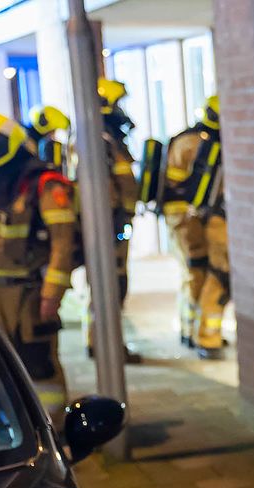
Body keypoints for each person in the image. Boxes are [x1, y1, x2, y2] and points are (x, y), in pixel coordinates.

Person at [0, 114, 78, 425]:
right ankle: (15, 427)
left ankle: (55, 429)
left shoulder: (45, 186)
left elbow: (63, 246)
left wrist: (52, 295)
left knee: (39, 363)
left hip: (30, 293)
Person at [161, 96, 228, 359]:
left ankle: (191, 331)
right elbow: (177, 187)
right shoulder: (198, 143)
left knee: (195, 273)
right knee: (203, 273)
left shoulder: (189, 139)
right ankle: (202, 336)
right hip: (188, 220)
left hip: (191, 219)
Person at [95, 78, 142, 362]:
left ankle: (101, 341)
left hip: (115, 221)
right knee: (113, 283)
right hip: (112, 224)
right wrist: (122, 218)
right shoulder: (102, 141)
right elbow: (120, 184)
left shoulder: (103, 139)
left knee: (112, 281)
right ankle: (108, 345)